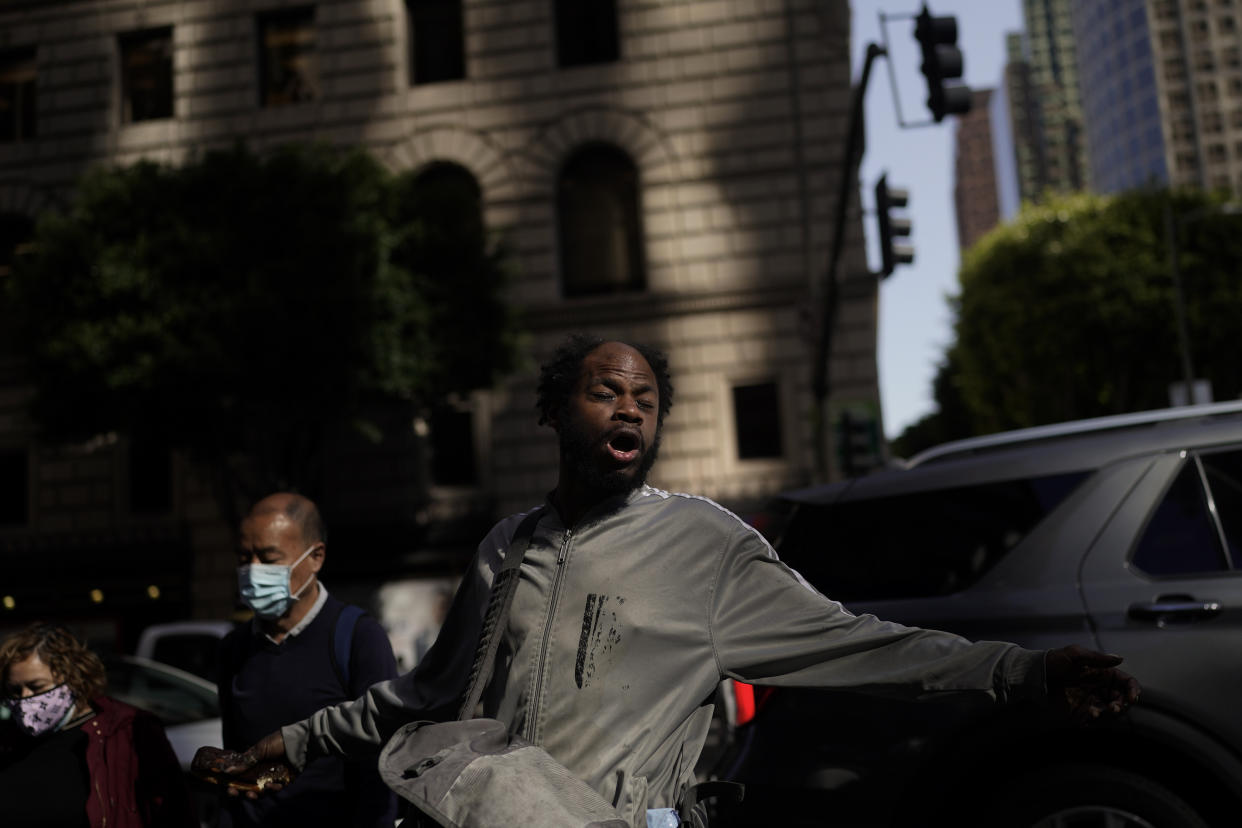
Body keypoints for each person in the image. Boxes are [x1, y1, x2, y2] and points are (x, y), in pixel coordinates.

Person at [198, 335, 1140, 827]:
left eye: (646, 398)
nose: (631, 408)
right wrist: (287, 742)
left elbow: (863, 643)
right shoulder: (500, 549)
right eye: (607, 390)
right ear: (558, 412)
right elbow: (420, 695)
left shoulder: (708, 545)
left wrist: (1018, 673)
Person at [216, 492, 399, 828]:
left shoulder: (359, 638)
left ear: (315, 557)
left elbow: (382, 765)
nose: (252, 571)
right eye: (244, 558)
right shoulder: (234, 649)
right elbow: (236, 756)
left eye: (269, 559)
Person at [0, 622, 195, 828]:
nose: (24, 699)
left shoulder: (126, 730)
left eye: (36, 686)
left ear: (73, 676)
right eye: (15, 690)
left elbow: (174, 811)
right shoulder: (9, 740)